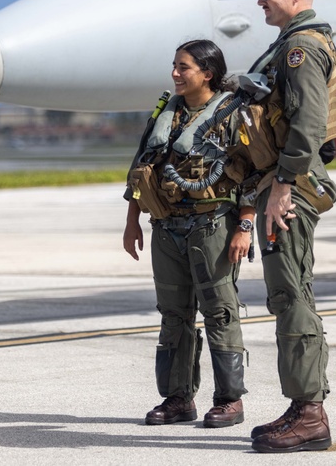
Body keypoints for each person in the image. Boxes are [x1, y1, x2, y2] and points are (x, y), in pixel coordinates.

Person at [123, 39, 254, 429]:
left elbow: (252, 173)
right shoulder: (167, 114)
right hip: (166, 227)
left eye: (184, 68)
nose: (175, 74)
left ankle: (229, 400)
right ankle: (178, 398)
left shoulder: (231, 115)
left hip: (212, 226)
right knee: (173, 315)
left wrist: (245, 225)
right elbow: (141, 168)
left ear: (207, 73)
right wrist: (132, 220)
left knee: (219, 312)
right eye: (175, 67)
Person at [246, 0, 336, 453]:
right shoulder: (293, 45)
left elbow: (308, 125)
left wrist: (284, 184)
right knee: (289, 293)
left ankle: (309, 414)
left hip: (292, 185)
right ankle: (301, 407)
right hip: (288, 179)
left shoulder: (300, 49)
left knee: (290, 295)